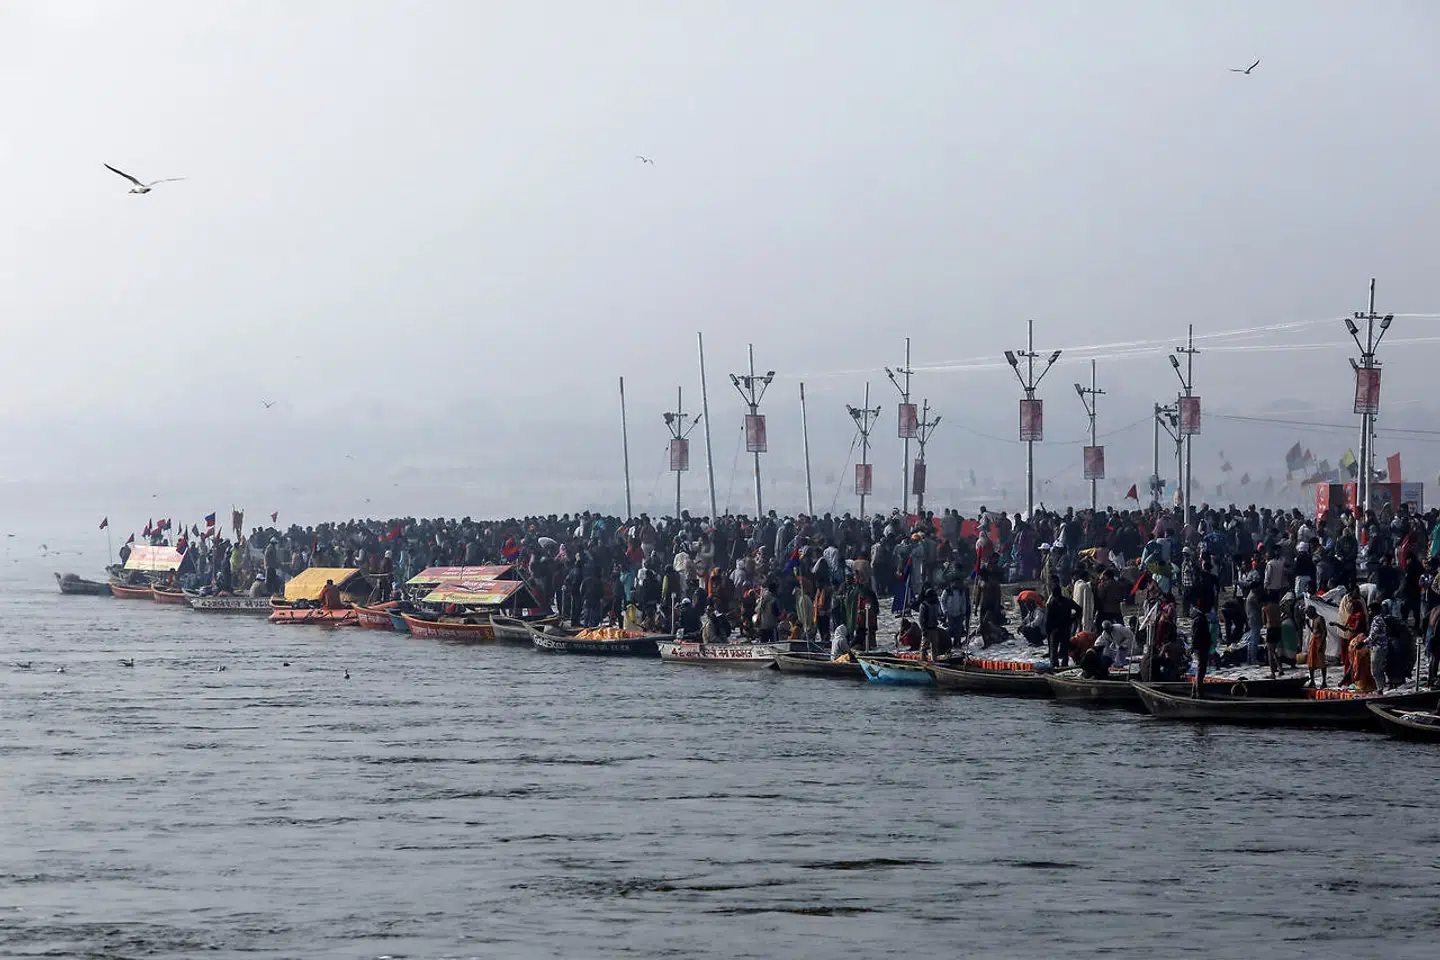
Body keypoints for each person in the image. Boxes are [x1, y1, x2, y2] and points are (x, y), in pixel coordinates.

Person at [1045, 579, 1083, 669]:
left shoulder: (1051, 603)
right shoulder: (1067, 601)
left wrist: (1048, 631)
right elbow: (1079, 609)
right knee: (1064, 648)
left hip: (1055, 629)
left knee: (1054, 649)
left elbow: (1048, 619)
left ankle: (1055, 666)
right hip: (1065, 628)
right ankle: (1064, 665)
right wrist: (1072, 619)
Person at [1305, 606, 1328, 688]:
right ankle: (1312, 681)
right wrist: (1308, 625)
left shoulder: (1320, 618)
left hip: (1319, 642)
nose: (1308, 615)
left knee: (1321, 662)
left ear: (1312, 611)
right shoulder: (1314, 619)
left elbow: (1324, 632)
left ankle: (1324, 682)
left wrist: (1321, 645)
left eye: (1308, 613)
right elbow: (1314, 631)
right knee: (1311, 663)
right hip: (1314, 641)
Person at [1262, 593, 1284, 678]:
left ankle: (1273, 673)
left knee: (1270, 652)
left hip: (1270, 629)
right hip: (1278, 628)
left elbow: (1264, 621)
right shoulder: (1277, 606)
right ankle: (1280, 668)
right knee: (1274, 651)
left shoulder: (1265, 608)